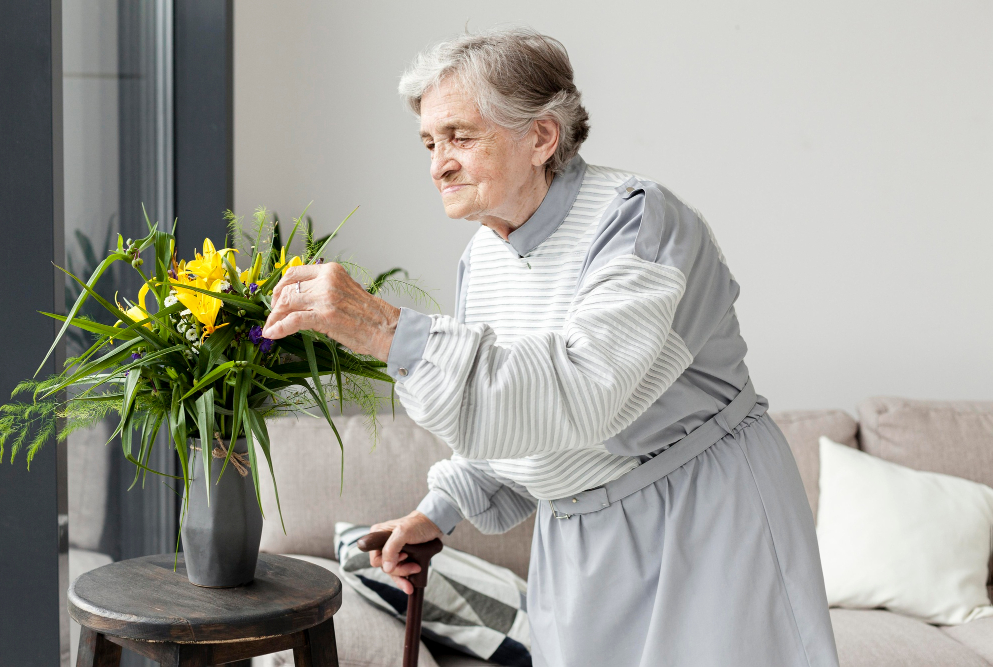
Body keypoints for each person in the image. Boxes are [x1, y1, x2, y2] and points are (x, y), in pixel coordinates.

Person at [263, 26, 840, 667]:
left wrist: (387, 331)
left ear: (542, 137)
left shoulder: (639, 220)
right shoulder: (483, 256)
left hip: (702, 514)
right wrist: (440, 509)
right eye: (429, 142)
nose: (438, 164)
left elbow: (584, 392)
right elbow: (516, 410)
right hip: (577, 538)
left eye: (460, 136)